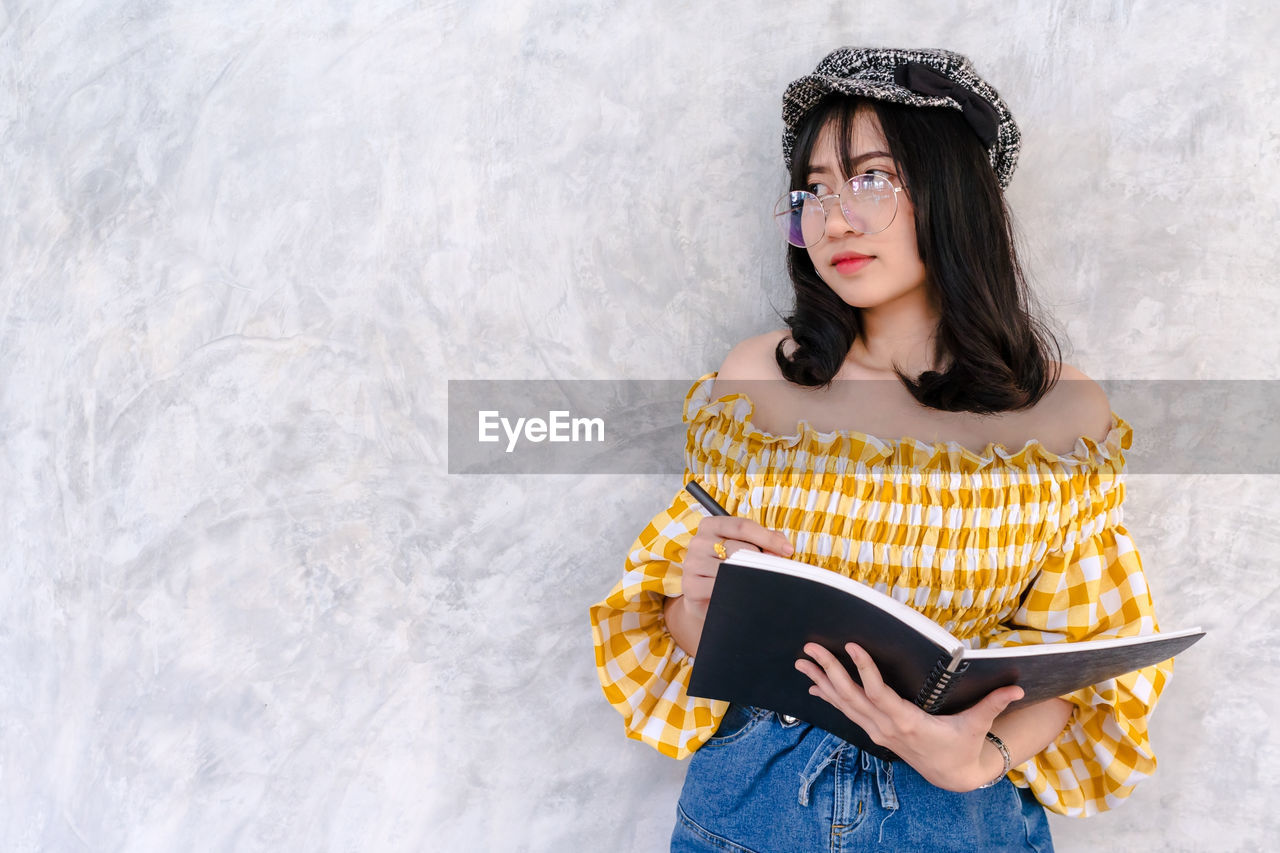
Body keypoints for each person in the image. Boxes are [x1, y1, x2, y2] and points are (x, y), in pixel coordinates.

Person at [589, 46, 1172, 853]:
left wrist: (981, 756)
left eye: (870, 178)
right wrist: (697, 600)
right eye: (815, 190)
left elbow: (1077, 663)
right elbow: (698, 649)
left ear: (951, 192)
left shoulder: (1063, 413)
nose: (835, 219)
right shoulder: (758, 382)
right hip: (750, 810)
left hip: (957, 822)